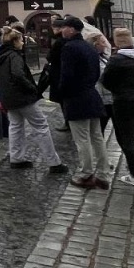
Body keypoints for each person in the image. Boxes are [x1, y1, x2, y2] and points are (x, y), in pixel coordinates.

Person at [0, 28, 65, 172]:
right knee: (41, 126)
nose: (22, 43)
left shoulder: (1, 55)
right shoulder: (14, 56)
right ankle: (53, 162)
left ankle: (16, 158)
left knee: (15, 126)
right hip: (22, 97)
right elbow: (18, 74)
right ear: (14, 41)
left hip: (9, 97)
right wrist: (32, 88)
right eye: (21, 40)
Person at [54, 17, 108, 190]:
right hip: (92, 95)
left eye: (64, 27)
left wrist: (62, 92)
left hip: (76, 97)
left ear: (71, 29)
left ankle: (86, 174)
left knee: (82, 139)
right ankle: (103, 173)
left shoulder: (69, 48)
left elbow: (67, 75)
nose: (62, 30)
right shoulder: (89, 47)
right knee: (97, 137)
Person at [100, 29, 134, 186]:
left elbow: (105, 80)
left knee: (128, 138)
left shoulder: (116, 60)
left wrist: (117, 89)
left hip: (123, 101)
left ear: (117, 42)